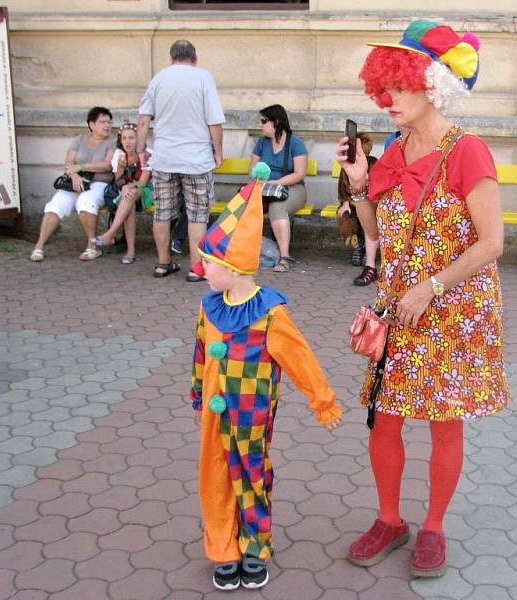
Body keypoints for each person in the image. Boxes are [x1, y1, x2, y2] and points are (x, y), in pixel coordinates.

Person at [335, 20, 510, 578]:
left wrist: (431, 286)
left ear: (432, 84)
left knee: (443, 423)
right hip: (400, 307)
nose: (387, 98)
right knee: (384, 418)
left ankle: (432, 527)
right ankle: (390, 520)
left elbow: (493, 243)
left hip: (453, 310)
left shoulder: (468, 151)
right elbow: (375, 236)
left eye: (400, 86)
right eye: (382, 87)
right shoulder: (394, 150)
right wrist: (360, 184)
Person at [190, 171, 342, 591]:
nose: (202, 270)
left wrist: (323, 401)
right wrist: (199, 392)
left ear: (236, 267)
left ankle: (255, 545)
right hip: (214, 415)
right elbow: (201, 354)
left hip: (252, 413)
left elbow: (300, 360)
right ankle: (223, 547)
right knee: (215, 476)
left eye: (211, 264)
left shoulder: (270, 313)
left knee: (252, 475)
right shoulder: (208, 307)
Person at [136, 39, 225, 280]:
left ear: (171, 57)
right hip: (196, 159)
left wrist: (140, 149)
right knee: (197, 214)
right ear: (194, 59)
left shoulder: (158, 79)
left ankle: (163, 263)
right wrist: (218, 151)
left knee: (163, 212)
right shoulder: (203, 78)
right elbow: (214, 121)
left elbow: (144, 120)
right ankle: (196, 268)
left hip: (164, 157)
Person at [29, 107, 116, 262]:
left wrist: (81, 167)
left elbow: (107, 165)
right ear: (91, 124)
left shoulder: (112, 142)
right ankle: (39, 246)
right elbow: (69, 162)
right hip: (75, 181)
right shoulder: (79, 140)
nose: (107, 125)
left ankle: (92, 246)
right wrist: (74, 175)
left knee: (86, 202)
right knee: (56, 205)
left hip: (99, 182)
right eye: (103, 122)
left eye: (109, 122)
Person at [250, 104, 308, 273]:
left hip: (293, 188)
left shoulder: (295, 143)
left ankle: (284, 257)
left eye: (263, 121)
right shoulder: (262, 143)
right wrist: (260, 178)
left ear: (275, 121)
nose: (260, 124)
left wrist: (277, 183)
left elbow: (299, 173)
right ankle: (243, 251)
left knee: (277, 208)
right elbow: (252, 169)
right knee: (244, 206)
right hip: (265, 188)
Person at [90, 122, 153, 264]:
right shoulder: (119, 154)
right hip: (127, 192)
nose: (127, 142)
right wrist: (120, 166)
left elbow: (142, 183)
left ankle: (111, 234)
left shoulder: (147, 154)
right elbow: (118, 180)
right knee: (128, 200)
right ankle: (130, 252)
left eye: (131, 138)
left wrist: (126, 187)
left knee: (129, 194)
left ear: (138, 139)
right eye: (124, 138)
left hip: (147, 190)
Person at [336, 132, 380, 286]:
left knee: (371, 218)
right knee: (346, 217)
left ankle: (369, 261)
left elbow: (377, 186)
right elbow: (343, 186)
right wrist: (345, 202)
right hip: (353, 200)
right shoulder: (348, 164)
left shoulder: (374, 163)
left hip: (372, 201)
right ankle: (357, 247)